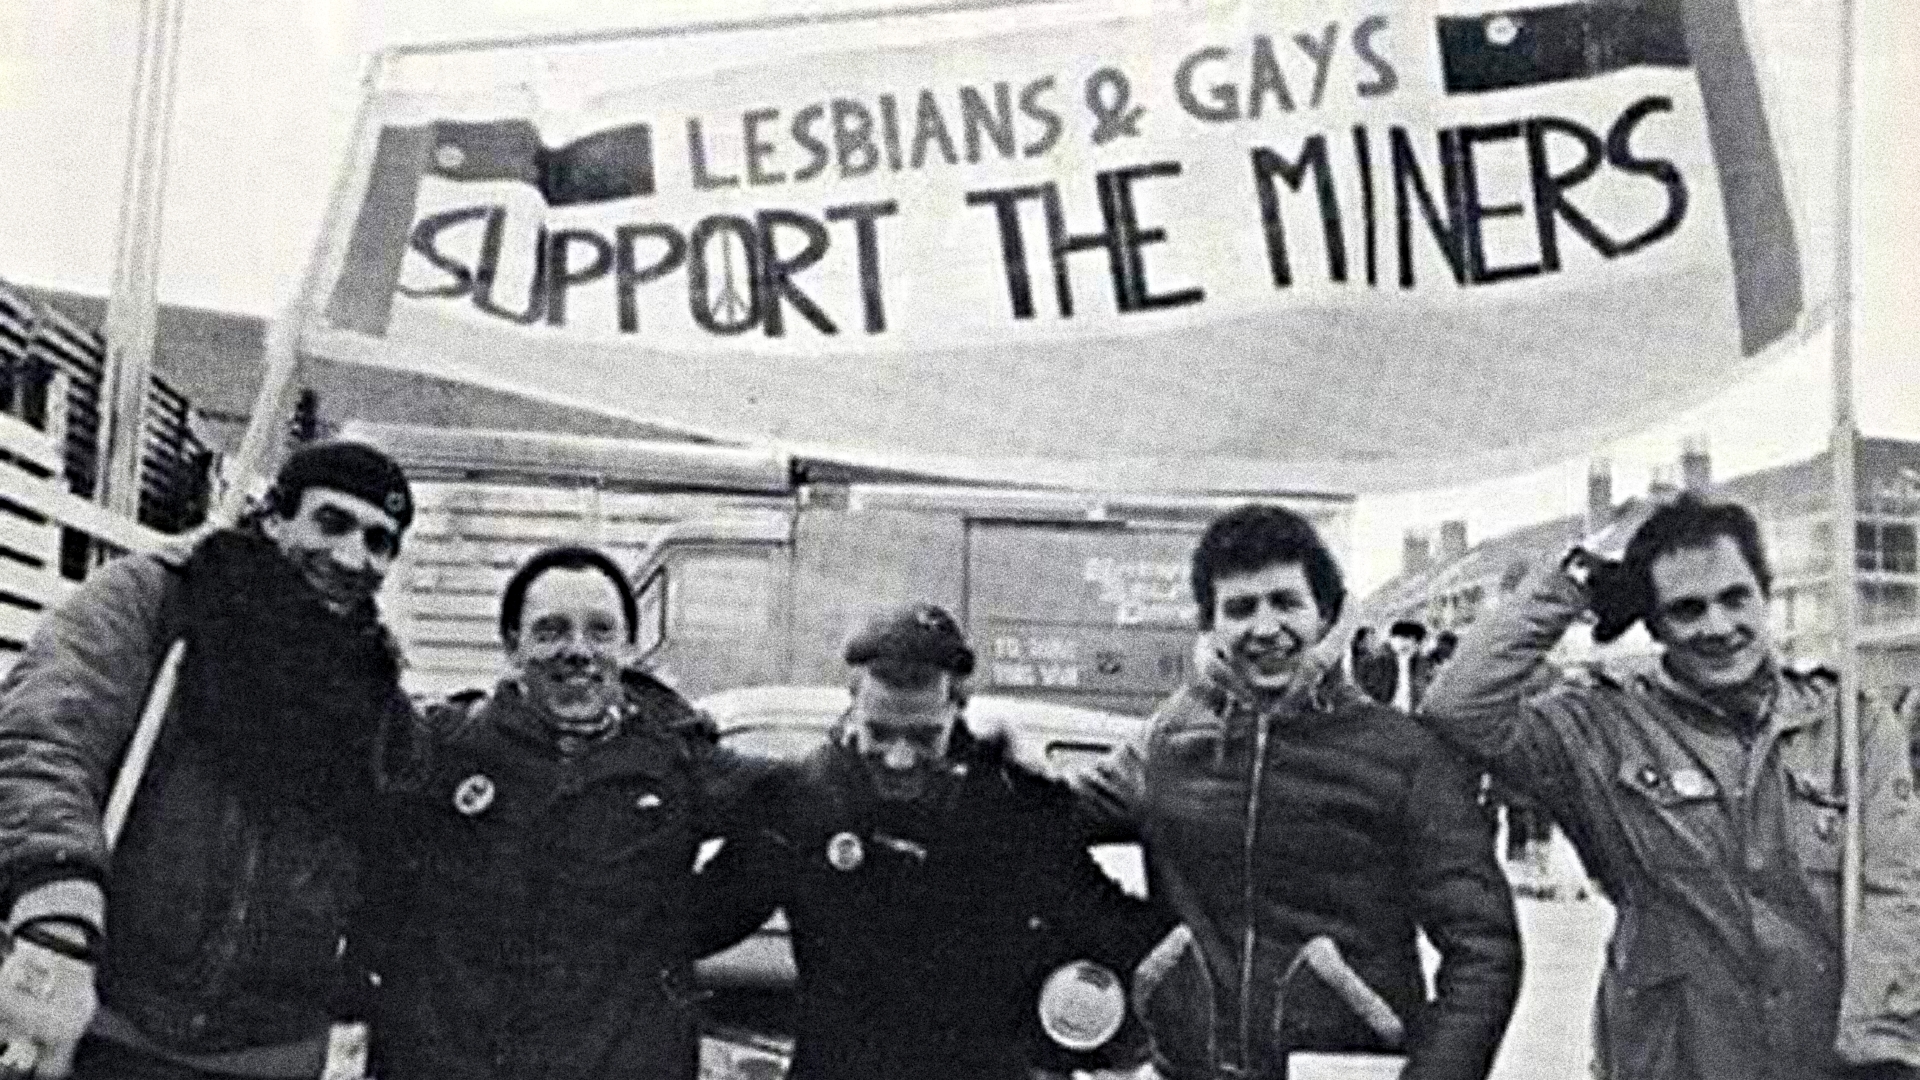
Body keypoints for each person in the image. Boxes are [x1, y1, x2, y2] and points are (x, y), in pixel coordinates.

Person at [1419, 495, 1920, 1080]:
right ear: (1653, 623)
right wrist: (1574, 582)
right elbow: (1458, 706)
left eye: (1735, 598)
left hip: (1824, 1061)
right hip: (1668, 1059)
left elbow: (1898, 888)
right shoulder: (1601, 728)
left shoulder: (1851, 726)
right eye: (1687, 610)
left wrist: (1884, 1049)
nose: (1718, 627)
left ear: (1766, 594)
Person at [0, 440, 420, 1080]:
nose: (350, 556)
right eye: (331, 522)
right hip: (100, 1023)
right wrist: (59, 918)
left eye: (378, 541)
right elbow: (45, 742)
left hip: (267, 1054)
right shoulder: (159, 602)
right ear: (274, 517)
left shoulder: (376, 691)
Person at [1072, 504, 1521, 1080]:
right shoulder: (1168, 742)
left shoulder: (1404, 755)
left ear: (1326, 614)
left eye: (1285, 602)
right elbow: (1039, 823)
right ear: (1211, 625)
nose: (1265, 629)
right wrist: (1138, 964)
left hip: (1347, 1073)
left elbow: (1483, 946)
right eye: (1240, 608)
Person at [690, 603, 1175, 1080]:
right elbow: (695, 923)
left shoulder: (1011, 804)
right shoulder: (805, 799)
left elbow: (1121, 933)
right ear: (852, 704)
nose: (899, 758)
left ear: (958, 708)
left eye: (924, 738)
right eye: (879, 734)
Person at [375, 545, 789, 1080]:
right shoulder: (450, 750)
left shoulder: (675, 762)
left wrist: (678, 931)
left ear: (629, 647)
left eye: (600, 632)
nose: (578, 651)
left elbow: (786, 812)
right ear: (512, 647)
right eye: (550, 631)